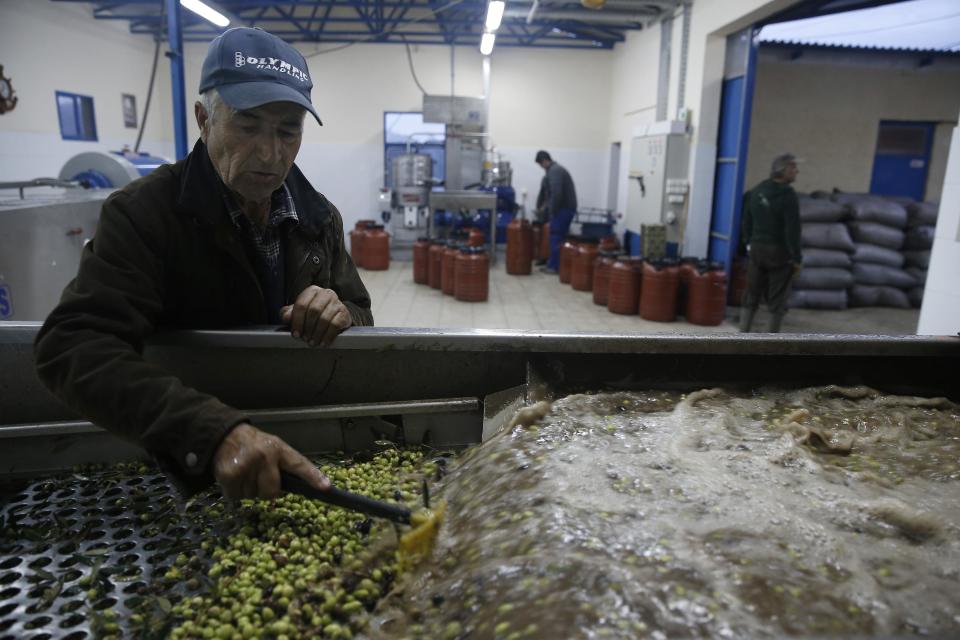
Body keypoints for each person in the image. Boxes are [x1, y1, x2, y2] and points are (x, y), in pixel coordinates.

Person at [34, 27, 372, 500]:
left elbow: (362, 313)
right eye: (248, 124)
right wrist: (213, 433)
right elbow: (72, 346)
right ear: (203, 119)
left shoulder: (318, 218)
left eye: (287, 130)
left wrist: (338, 310)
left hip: (295, 446)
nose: (270, 153)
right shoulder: (144, 215)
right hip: (178, 461)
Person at [738, 153, 803, 333]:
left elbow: (746, 221)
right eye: (793, 168)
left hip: (756, 251)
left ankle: (742, 334)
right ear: (782, 171)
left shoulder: (757, 190)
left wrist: (748, 244)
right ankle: (770, 343)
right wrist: (797, 258)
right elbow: (793, 229)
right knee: (777, 299)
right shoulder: (788, 195)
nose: (797, 171)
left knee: (751, 293)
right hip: (779, 253)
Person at [534, 150, 578, 273]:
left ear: (544, 161)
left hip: (563, 209)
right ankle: (556, 265)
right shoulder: (553, 171)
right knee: (558, 237)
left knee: (556, 237)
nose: (541, 167)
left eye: (540, 164)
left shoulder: (555, 171)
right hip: (564, 208)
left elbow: (556, 194)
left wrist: (551, 212)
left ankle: (555, 267)